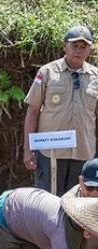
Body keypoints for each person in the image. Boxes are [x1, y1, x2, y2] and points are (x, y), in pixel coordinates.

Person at [23, 25, 98, 196]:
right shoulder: (47, 73)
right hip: (51, 152)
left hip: (83, 152)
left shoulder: (96, 77)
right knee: (48, 201)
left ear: (89, 49)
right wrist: (28, 150)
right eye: (74, 46)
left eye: (83, 47)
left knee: (78, 202)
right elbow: (32, 111)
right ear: (65, 46)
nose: (78, 51)